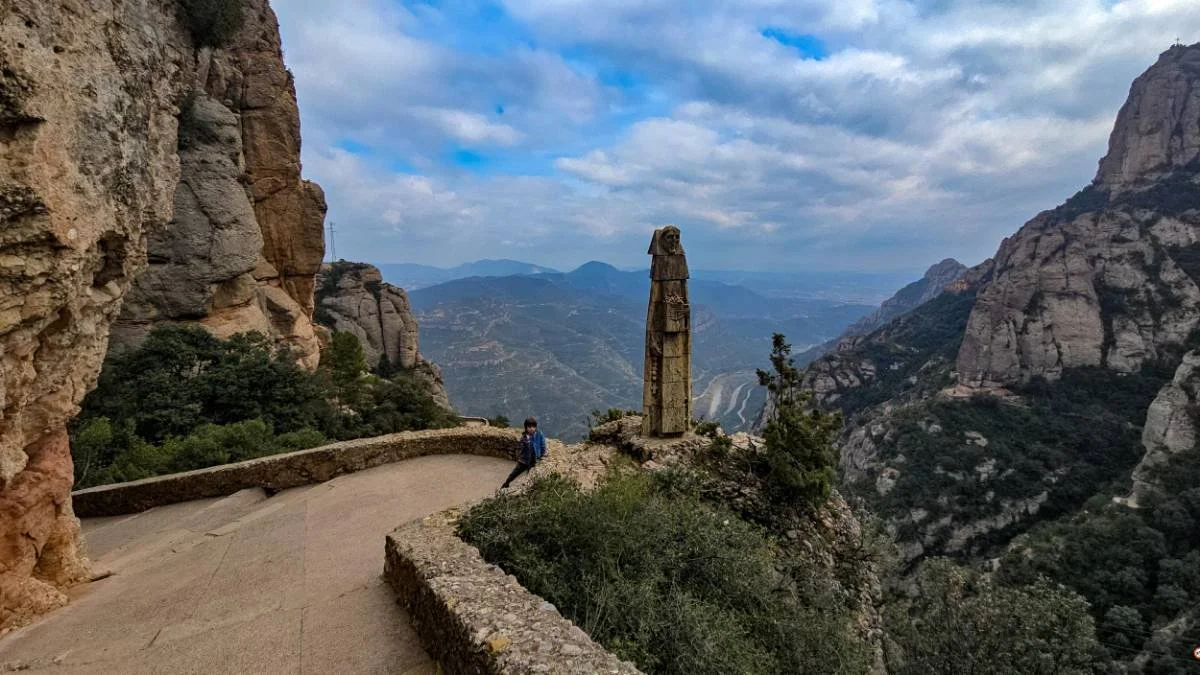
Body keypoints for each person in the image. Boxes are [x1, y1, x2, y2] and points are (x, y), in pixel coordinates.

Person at [501, 417, 546, 489]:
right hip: (524, 460)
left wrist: (542, 455)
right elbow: (522, 448)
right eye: (529, 427)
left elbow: (542, 445)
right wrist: (527, 441)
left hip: (534, 460)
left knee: (530, 474)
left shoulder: (539, 434)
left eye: (533, 427)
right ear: (526, 427)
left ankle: (527, 487)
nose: (532, 429)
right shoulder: (524, 437)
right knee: (515, 473)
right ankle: (507, 483)